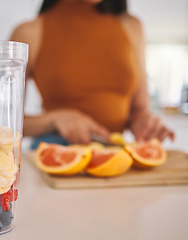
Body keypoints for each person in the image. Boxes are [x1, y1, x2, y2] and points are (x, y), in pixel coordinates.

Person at [9, 0, 175, 148]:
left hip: (114, 152)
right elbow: (4, 123)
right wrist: (56, 120)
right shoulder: (28, 32)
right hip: (55, 149)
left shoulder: (132, 26)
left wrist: (145, 123)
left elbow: (139, 111)